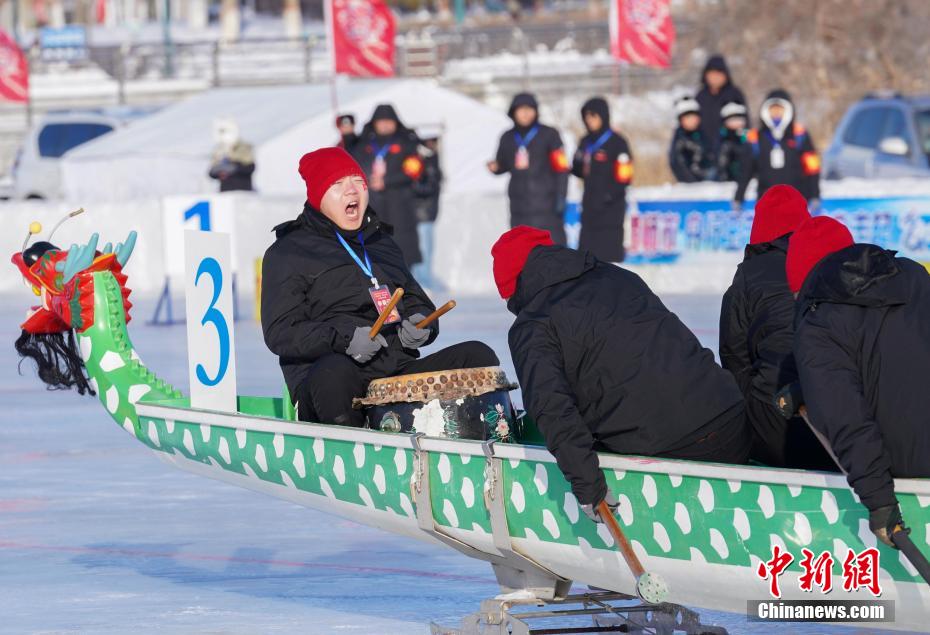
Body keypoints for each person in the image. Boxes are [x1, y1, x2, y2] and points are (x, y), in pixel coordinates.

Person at [492, 226, 750, 517]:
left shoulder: (533, 324)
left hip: (674, 445)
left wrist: (589, 487)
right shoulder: (617, 276)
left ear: (513, 287)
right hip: (731, 420)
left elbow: (552, 408)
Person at [261, 147, 498, 428]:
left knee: (477, 356)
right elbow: (281, 332)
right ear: (318, 196)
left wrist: (422, 325)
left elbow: (414, 300)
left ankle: (479, 440)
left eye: (358, 183)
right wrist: (345, 339)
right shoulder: (288, 251)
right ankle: (349, 454)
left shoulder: (380, 242)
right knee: (335, 373)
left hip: (394, 369)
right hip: (329, 376)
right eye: (338, 185)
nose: (352, 192)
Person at [788, 215, 930, 547]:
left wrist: (879, 500)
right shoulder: (913, 278)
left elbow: (846, 418)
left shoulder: (816, 323)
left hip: (916, 471)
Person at [719, 185, 835, 470]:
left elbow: (734, 360)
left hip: (775, 429)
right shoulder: (829, 262)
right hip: (839, 430)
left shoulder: (747, 277)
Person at [488, 93, 570, 244]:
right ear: (513, 112)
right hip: (519, 207)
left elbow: (562, 169)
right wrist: (496, 167)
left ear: (536, 111)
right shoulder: (507, 137)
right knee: (523, 254)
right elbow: (503, 163)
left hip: (546, 207)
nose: (525, 113)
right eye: (521, 109)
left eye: (529, 109)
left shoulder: (550, 134)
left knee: (552, 253)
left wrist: (561, 197)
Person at [350, 104, 425, 267]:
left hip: (400, 206)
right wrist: (348, 135)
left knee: (402, 251)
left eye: (388, 121)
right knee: (374, 251)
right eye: (380, 121)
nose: (384, 124)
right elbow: (349, 160)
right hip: (372, 206)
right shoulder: (365, 144)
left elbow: (414, 169)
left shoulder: (406, 142)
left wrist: (388, 181)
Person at [735, 89, 821, 210]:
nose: (776, 112)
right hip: (767, 200)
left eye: (780, 109)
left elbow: (813, 168)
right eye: (772, 109)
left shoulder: (800, 134)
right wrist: (739, 197)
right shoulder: (754, 137)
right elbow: (745, 170)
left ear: (788, 110)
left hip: (798, 198)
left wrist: (815, 195)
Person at [571, 97, 633, 262]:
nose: (590, 121)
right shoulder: (585, 142)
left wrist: (608, 196)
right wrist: (575, 163)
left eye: (594, 116)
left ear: (603, 116)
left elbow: (625, 177)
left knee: (609, 260)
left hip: (611, 209)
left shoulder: (618, 142)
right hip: (589, 208)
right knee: (586, 259)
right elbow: (579, 172)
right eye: (587, 117)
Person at [695, 54, 748, 157]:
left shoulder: (734, 94)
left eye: (719, 73)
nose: (715, 77)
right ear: (706, 75)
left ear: (725, 75)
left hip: (732, 152)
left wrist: (744, 147)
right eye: (712, 73)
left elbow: (746, 124)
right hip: (705, 151)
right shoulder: (700, 96)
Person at [412, 135, 443, 285]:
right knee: (420, 250)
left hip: (424, 214)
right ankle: (421, 282)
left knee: (424, 251)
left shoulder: (429, 162)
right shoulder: (421, 161)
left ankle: (424, 283)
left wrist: (411, 183)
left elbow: (428, 187)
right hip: (420, 215)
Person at [669, 96, 713, 182]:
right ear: (681, 120)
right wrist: (692, 182)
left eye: (694, 117)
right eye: (688, 118)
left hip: (709, 180)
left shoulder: (703, 135)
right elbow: (678, 164)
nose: (692, 120)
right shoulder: (680, 140)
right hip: (692, 184)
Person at [208, 116, 255, 192]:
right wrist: (219, 171)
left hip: (243, 192)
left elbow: (250, 168)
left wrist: (234, 167)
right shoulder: (218, 151)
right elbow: (211, 173)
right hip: (225, 192)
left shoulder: (244, 148)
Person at [716, 102, 748, 182]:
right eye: (733, 119)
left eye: (739, 118)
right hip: (729, 181)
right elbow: (721, 164)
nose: (737, 122)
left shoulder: (748, 136)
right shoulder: (724, 139)